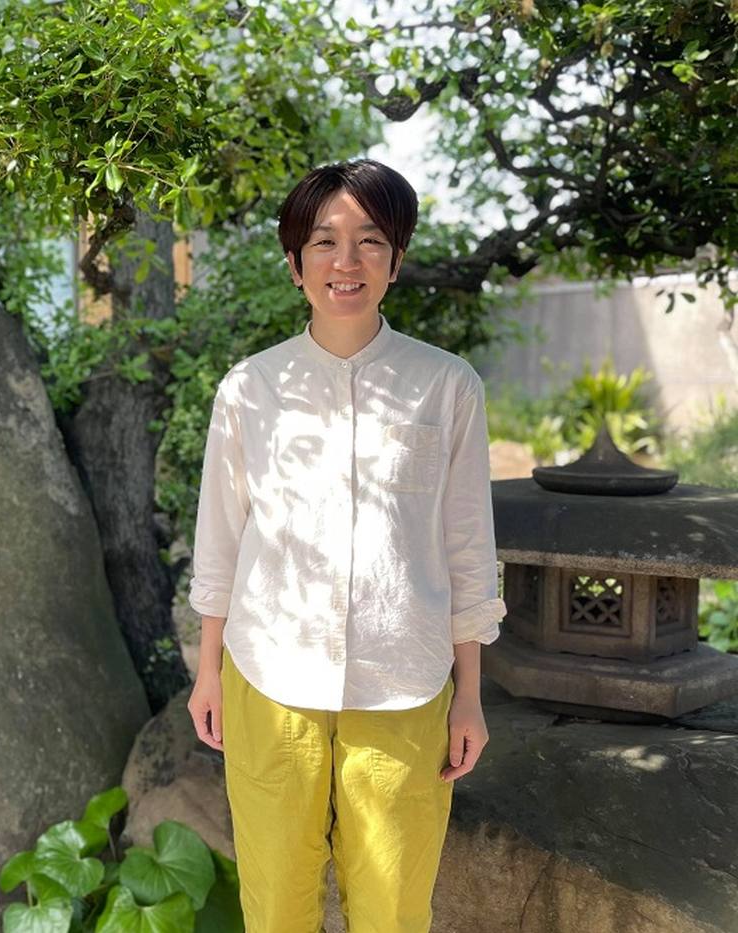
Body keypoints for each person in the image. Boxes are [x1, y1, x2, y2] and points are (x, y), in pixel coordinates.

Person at [184, 158, 507, 933]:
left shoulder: (447, 385)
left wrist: (470, 691)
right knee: (276, 898)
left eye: (369, 240)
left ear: (396, 257)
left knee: (394, 905)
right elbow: (221, 537)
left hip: (404, 678)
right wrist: (208, 671)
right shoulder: (249, 390)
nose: (346, 261)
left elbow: (467, 544)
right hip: (269, 676)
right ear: (296, 262)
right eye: (324, 241)